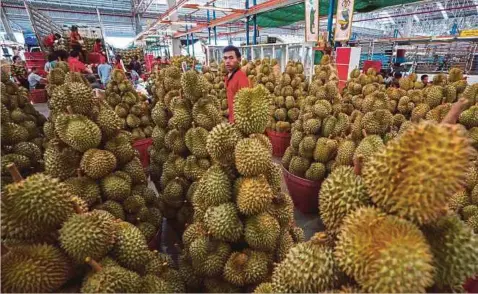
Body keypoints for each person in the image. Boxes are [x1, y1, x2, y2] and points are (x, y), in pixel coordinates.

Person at [223, 45, 250, 123]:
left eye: (231, 58)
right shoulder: (227, 76)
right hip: (231, 120)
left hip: (239, 123)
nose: (227, 61)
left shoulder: (241, 78)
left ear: (239, 60)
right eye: (225, 58)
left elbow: (246, 105)